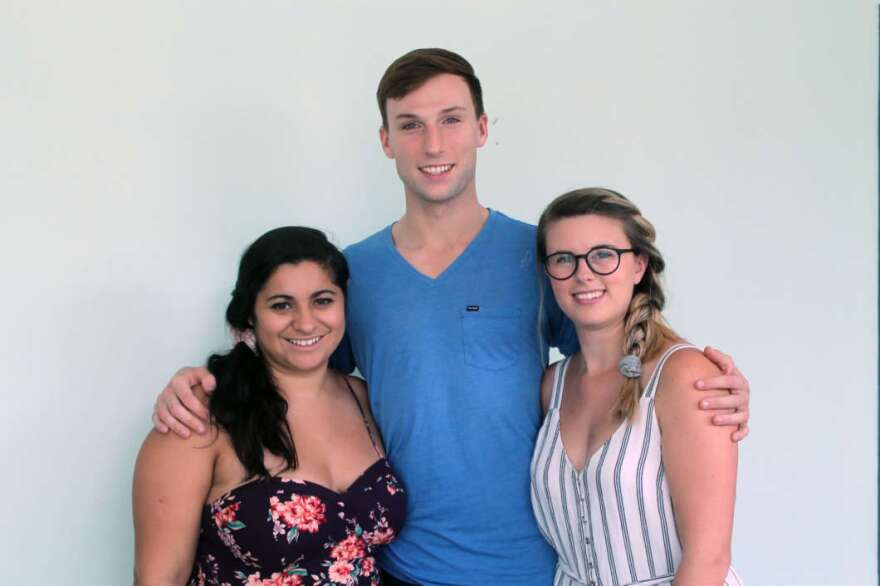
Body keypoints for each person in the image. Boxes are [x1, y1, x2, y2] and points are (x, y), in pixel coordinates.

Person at [151, 49, 751, 585]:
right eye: (410, 126)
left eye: (451, 121)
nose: (433, 146)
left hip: (539, 566)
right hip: (402, 566)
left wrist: (699, 384)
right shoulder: (352, 276)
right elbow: (297, 371)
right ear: (385, 140)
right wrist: (199, 384)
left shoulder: (543, 257)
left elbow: (616, 359)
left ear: (482, 129)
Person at [133, 227, 406, 585]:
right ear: (250, 314)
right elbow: (160, 578)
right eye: (282, 305)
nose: (306, 322)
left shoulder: (366, 399)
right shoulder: (197, 419)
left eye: (322, 300)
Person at [531, 188, 744, 586]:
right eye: (563, 259)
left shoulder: (684, 376)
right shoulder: (552, 387)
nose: (583, 274)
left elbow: (708, 560)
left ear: (639, 265)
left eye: (603, 255)